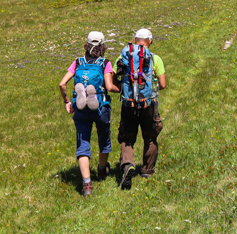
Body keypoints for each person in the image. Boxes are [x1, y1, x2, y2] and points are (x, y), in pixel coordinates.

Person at [58, 31, 116, 196]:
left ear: (87, 44)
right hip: (101, 107)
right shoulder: (105, 63)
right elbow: (110, 86)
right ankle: (101, 170)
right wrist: (123, 90)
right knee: (104, 138)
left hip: (80, 109)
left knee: (83, 144)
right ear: (103, 45)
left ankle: (87, 184)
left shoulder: (77, 62)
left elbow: (62, 84)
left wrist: (67, 102)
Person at [113, 28, 167, 190]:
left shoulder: (123, 57)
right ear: (150, 41)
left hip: (128, 103)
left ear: (135, 39)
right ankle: (147, 170)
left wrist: (124, 89)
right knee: (150, 136)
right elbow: (163, 85)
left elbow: (112, 79)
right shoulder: (155, 59)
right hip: (148, 103)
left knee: (127, 137)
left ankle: (128, 165)